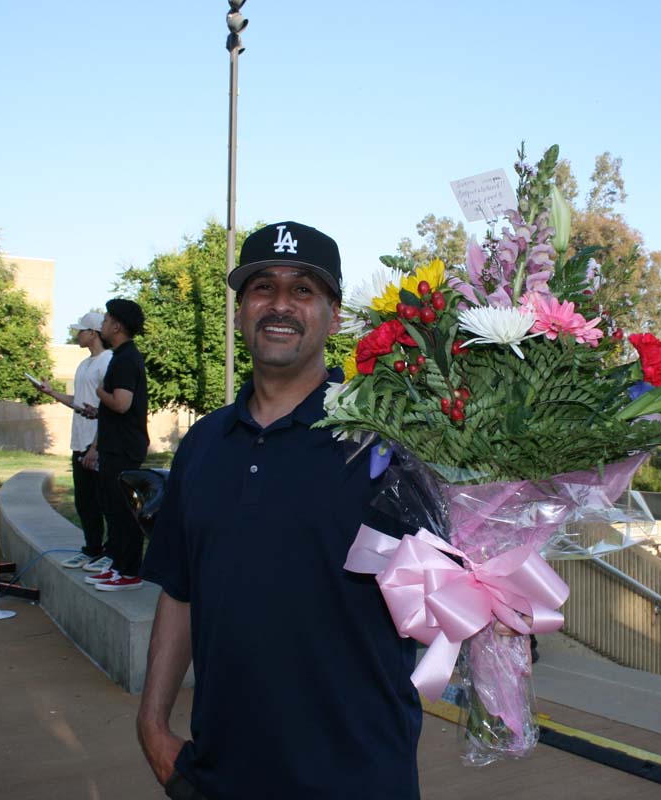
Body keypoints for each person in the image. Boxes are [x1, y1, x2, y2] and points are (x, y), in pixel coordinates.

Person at [137, 222, 422, 799]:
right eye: (263, 287)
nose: (281, 305)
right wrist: (152, 726)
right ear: (241, 309)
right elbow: (179, 590)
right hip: (220, 772)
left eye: (303, 291)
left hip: (359, 773)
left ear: (334, 316)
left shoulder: (384, 441)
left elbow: (454, 587)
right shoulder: (202, 444)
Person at [36, 311, 113, 570]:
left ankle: (111, 553)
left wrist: (96, 447)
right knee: (84, 501)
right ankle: (92, 548)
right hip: (78, 442)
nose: (76, 335)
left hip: (96, 445)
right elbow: (78, 403)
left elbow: (109, 409)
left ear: (93, 333)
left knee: (105, 501)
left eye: (81, 330)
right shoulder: (83, 365)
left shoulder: (108, 361)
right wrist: (52, 393)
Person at [82, 298, 149, 592]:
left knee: (124, 512)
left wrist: (100, 393)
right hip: (116, 446)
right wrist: (100, 410)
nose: (103, 325)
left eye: (107, 320)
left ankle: (130, 572)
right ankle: (118, 565)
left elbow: (122, 403)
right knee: (113, 509)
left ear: (118, 326)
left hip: (123, 449)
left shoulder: (124, 360)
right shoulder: (123, 356)